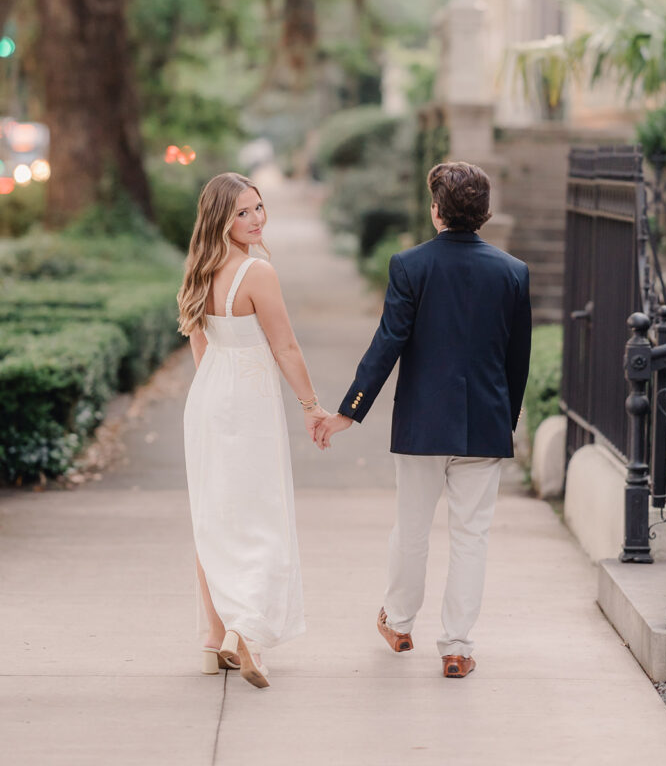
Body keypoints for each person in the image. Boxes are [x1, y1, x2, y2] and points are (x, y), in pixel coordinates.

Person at [314, 161, 532, 679]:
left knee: (411, 530)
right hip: (485, 425)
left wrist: (350, 410)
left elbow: (387, 343)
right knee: (471, 537)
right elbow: (517, 358)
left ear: (436, 212)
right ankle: (456, 647)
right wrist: (507, 418)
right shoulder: (513, 272)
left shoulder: (409, 266)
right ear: (486, 212)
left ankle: (399, 621)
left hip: (422, 426)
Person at [178, 172, 328, 689]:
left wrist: (214, 397)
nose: (255, 219)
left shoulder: (200, 267)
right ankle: (247, 635)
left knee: (215, 514)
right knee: (259, 514)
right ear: (222, 218)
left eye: (258, 207)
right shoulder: (257, 272)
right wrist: (310, 405)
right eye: (242, 212)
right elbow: (285, 347)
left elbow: (200, 345)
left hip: (209, 398)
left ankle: (211, 638)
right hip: (248, 400)